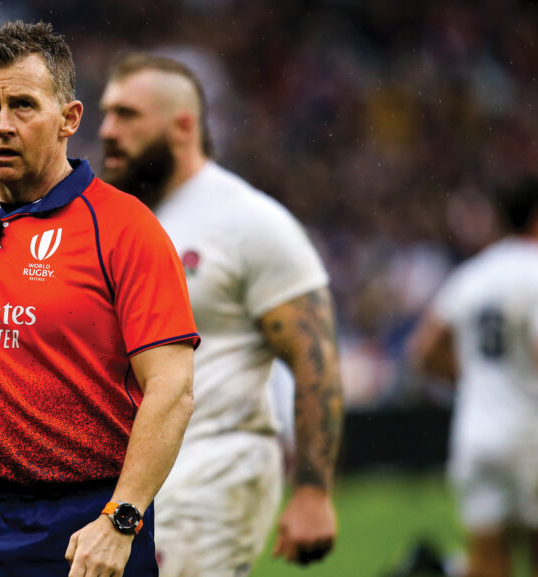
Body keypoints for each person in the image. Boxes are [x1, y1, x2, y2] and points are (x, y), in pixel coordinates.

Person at [0, 23, 201, 577]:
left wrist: (120, 520)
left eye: (24, 105)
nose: (3, 125)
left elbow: (171, 388)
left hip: (85, 529)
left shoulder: (125, 229)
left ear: (69, 119)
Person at [97, 54, 344, 576]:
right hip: (138, 484)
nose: (107, 131)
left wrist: (313, 492)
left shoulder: (249, 222)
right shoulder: (127, 222)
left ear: (183, 125)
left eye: (127, 115)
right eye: (106, 114)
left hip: (214, 478)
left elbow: (315, 357)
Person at [408, 177, 538, 577]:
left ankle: (438, 569)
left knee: (487, 560)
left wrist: (477, 382)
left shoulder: (474, 274)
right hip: (530, 430)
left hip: (477, 432)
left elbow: (423, 352)